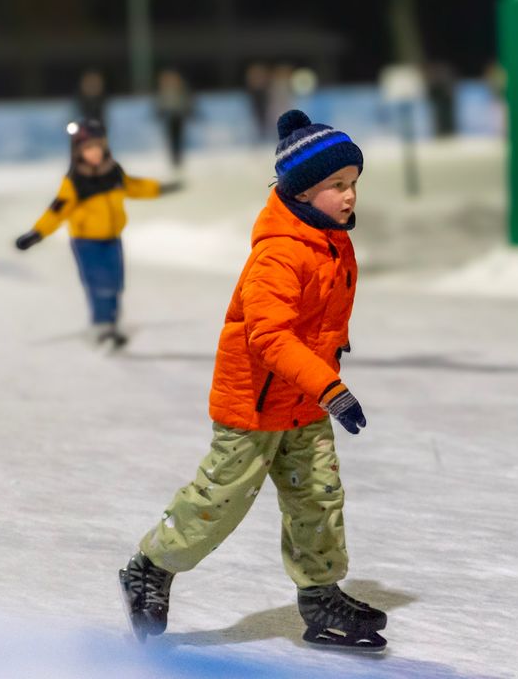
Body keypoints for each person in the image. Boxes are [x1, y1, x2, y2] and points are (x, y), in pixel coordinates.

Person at [118, 109, 387, 652]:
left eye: (353, 183)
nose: (350, 195)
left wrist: (326, 367)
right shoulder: (279, 253)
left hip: (303, 399)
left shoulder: (332, 240)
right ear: (304, 192)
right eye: (337, 185)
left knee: (319, 497)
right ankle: (150, 565)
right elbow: (271, 338)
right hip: (256, 403)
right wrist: (331, 387)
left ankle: (320, 597)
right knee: (221, 500)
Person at [13, 118, 182, 349]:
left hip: (112, 239)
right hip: (86, 242)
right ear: (78, 152)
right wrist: (36, 233)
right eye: (87, 149)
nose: (94, 153)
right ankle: (101, 328)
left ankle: (111, 324)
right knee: (99, 284)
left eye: (97, 147)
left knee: (115, 284)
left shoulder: (114, 172)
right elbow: (57, 211)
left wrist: (159, 188)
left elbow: (134, 186)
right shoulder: (74, 182)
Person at [154, 69, 193, 173]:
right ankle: (174, 158)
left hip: (178, 116)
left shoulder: (180, 88)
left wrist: (187, 110)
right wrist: (160, 111)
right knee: (172, 138)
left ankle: (178, 158)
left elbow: (185, 100)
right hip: (170, 116)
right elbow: (161, 101)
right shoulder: (166, 89)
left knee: (178, 137)